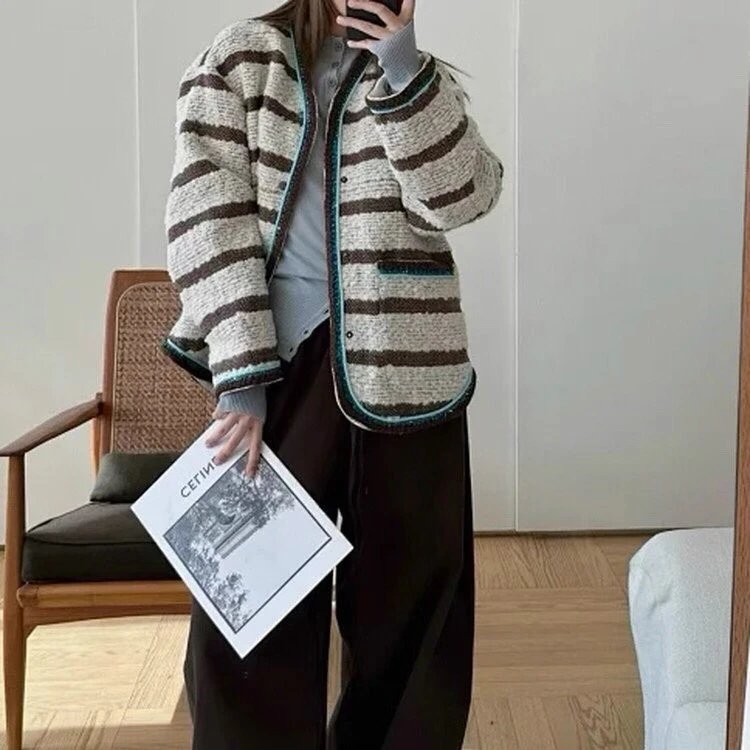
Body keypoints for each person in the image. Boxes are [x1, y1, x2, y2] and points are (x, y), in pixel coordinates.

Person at [161, 0, 504, 747]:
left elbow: (465, 197)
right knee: (246, 612)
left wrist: (404, 72)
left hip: (410, 370)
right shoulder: (241, 59)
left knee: (412, 611)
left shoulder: (416, 76)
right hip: (275, 370)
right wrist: (241, 375)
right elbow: (204, 217)